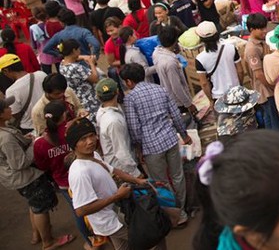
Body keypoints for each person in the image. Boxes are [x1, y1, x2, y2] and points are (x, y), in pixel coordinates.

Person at [66, 118, 167, 250]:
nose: (90, 141)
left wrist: (138, 180)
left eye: (91, 135)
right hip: (112, 222)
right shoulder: (80, 172)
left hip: (117, 216)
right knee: (154, 239)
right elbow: (81, 210)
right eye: (83, 139)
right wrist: (117, 196)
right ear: (74, 145)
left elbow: (113, 170)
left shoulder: (93, 155)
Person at [0, 96, 75, 250]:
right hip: (26, 178)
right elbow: (19, 163)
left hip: (16, 179)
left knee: (34, 204)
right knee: (41, 208)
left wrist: (25, 140)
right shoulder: (6, 138)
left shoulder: (5, 130)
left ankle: (37, 234)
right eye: (6, 107)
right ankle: (48, 242)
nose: (10, 109)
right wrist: (34, 144)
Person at [120, 63, 191, 225]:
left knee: (161, 182)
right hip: (170, 139)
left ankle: (177, 215)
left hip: (151, 147)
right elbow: (176, 115)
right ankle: (182, 207)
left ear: (129, 81)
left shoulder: (130, 98)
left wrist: (139, 148)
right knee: (178, 176)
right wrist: (184, 135)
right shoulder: (160, 89)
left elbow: (134, 128)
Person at [33, 100, 93, 249]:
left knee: (78, 211)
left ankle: (90, 242)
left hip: (64, 183)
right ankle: (101, 236)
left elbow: (42, 166)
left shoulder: (40, 142)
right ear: (65, 115)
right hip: (84, 174)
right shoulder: (71, 131)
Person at [242, 13, 279, 131]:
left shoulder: (261, 42)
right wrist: (272, 87)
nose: (264, 31)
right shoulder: (252, 49)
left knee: (269, 120)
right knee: (275, 122)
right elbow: (258, 74)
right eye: (261, 28)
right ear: (251, 29)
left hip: (267, 89)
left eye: (265, 27)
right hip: (265, 91)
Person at [94, 78, 140, 178]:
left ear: (98, 96)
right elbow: (121, 153)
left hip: (118, 166)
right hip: (123, 170)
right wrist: (137, 175)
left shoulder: (102, 111)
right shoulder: (113, 121)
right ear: (117, 92)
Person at [195, 21, 243, 105]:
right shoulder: (231, 48)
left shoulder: (200, 59)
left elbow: (204, 83)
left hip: (219, 97)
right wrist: (239, 85)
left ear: (200, 39)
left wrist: (210, 100)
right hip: (237, 92)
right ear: (217, 34)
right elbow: (240, 71)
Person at [152, 26, 195, 114]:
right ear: (174, 41)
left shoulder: (156, 53)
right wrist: (188, 104)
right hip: (178, 102)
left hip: (168, 97)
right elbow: (176, 87)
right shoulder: (170, 63)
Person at [57, 39, 100, 122]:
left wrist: (83, 57)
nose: (80, 51)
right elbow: (95, 78)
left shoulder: (62, 64)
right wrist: (92, 63)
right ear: (74, 50)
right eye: (78, 49)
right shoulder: (77, 68)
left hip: (77, 97)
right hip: (88, 99)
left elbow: (73, 59)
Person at [2, 54, 46, 134]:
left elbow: (15, 113)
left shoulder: (11, 90)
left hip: (30, 128)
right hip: (49, 119)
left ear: (6, 71)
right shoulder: (41, 75)